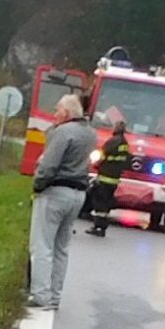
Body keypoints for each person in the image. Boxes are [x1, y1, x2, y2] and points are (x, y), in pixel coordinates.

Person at [28, 94, 97, 309]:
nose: (54, 114)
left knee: (42, 245)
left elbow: (49, 164)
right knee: (61, 247)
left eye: (57, 110)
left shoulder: (63, 132)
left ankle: (41, 296)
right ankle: (55, 296)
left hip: (56, 192)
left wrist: (38, 184)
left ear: (66, 113)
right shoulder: (90, 134)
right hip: (78, 194)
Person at [85, 121, 130, 237]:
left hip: (105, 177)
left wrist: (96, 164)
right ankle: (101, 226)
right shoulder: (124, 143)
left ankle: (98, 226)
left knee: (99, 202)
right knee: (105, 203)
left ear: (116, 128)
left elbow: (102, 156)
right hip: (114, 178)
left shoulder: (112, 142)